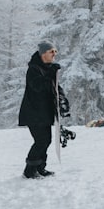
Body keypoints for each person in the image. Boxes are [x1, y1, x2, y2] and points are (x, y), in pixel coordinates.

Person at [18, 40, 69, 179]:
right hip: (33, 112)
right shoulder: (34, 69)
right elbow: (38, 86)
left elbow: (55, 88)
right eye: (51, 51)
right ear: (42, 54)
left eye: (55, 51)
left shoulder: (48, 69)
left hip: (44, 113)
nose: (54, 54)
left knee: (46, 140)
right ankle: (29, 171)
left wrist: (63, 102)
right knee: (41, 140)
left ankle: (40, 168)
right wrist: (51, 73)